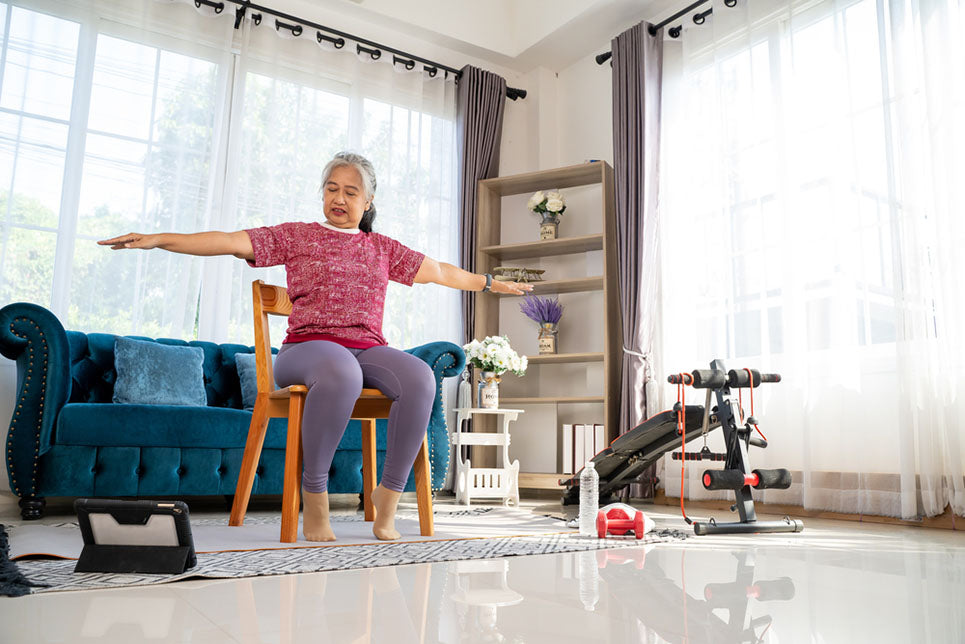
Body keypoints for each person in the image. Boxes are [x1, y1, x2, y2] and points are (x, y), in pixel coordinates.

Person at [98, 152, 533, 542]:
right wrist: (158, 239)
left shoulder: (381, 249)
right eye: (331, 189)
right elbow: (229, 241)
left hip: (365, 349)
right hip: (305, 350)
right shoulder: (298, 236)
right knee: (341, 370)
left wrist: (489, 283)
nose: (339, 198)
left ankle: (388, 495)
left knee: (419, 377)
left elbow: (437, 269)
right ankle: (317, 496)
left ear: (368, 202)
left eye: (350, 191)